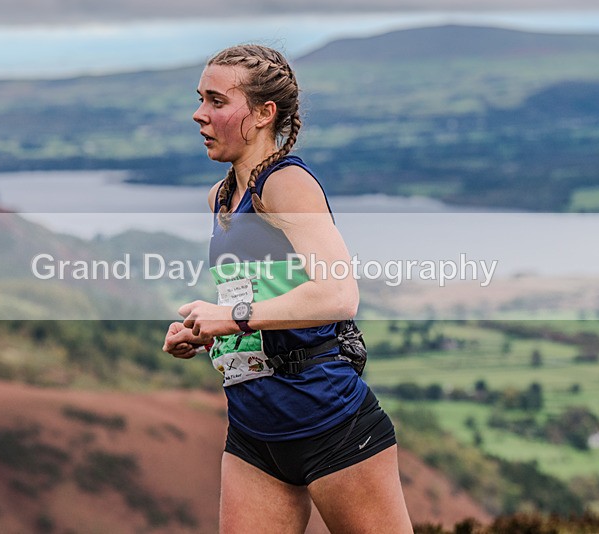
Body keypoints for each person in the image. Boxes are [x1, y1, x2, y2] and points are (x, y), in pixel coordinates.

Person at [162, 44, 413, 533]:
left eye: (216, 101)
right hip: (254, 426)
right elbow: (264, 297)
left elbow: (339, 295)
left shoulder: (286, 183)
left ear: (263, 114)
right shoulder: (221, 196)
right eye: (200, 99)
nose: (199, 114)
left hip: (328, 421)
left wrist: (230, 317)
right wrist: (207, 328)